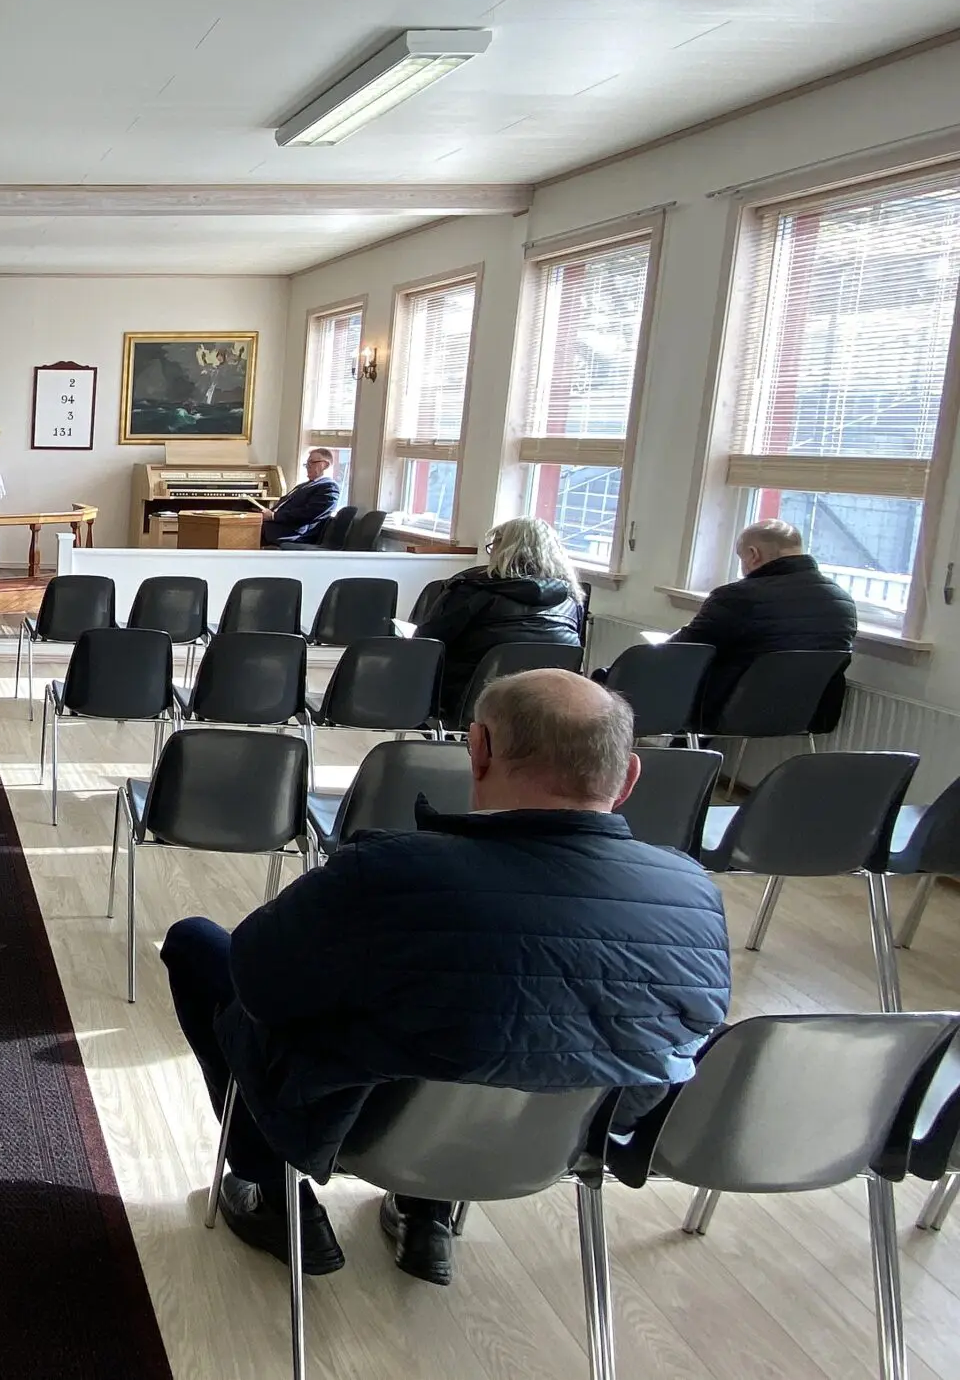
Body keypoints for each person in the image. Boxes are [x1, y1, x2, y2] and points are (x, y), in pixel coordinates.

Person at [161, 671, 729, 1286]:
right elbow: (686, 1038)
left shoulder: (390, 872)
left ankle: (274, 1193)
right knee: (503, 1016)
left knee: (198, 946)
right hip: (564, 1145)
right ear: (628, 775)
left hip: (366, 1133)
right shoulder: (693, 893)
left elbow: (258, 983)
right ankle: (426, 1213)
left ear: (478, 748)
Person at [668, 519, 857, 728]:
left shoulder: (736, 597)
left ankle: (677, 747)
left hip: (732, 712)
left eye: (741, 559)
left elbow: (681, 649)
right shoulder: (843, 601)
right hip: (809, 714)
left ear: (753, 554)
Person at [415, 516, 585, 720]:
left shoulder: (472, 590)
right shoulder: (571, 601)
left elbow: (426, 642)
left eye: (493, 545)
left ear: (503, 549)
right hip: (546, 708)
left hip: (470, 702)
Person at [259, 447, 342, 546]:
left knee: (249, 532)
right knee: (247, 525)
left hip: (294, 534)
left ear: (326, 465)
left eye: (312, 462)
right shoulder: (303, 485)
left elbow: (308, 514)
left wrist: (273, 516)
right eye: (307, 463)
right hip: (276, 526)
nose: (308, 466)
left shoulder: (329, 487)